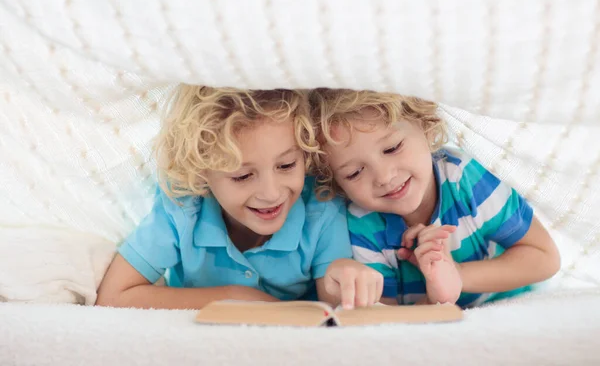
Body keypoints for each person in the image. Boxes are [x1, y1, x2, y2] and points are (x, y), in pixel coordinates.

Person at [96, 85, 382, 310]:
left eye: (286, 166)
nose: (271, 194)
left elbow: (332, 315)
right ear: (201, 174)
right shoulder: (183, 205)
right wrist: (237, 297)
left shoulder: (321, 207)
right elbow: (113, 296)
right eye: (242, 176)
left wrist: (342, 277)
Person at [309, 88, 560, 308]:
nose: (384, 177)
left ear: (425, 126)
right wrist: (437, 296)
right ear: (337, 184)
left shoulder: (463, 178)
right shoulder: (360, 222)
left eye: (392, 148)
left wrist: (458, 275)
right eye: (354, 173)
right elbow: (386, 317)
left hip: (509, 302)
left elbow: (545, 257)